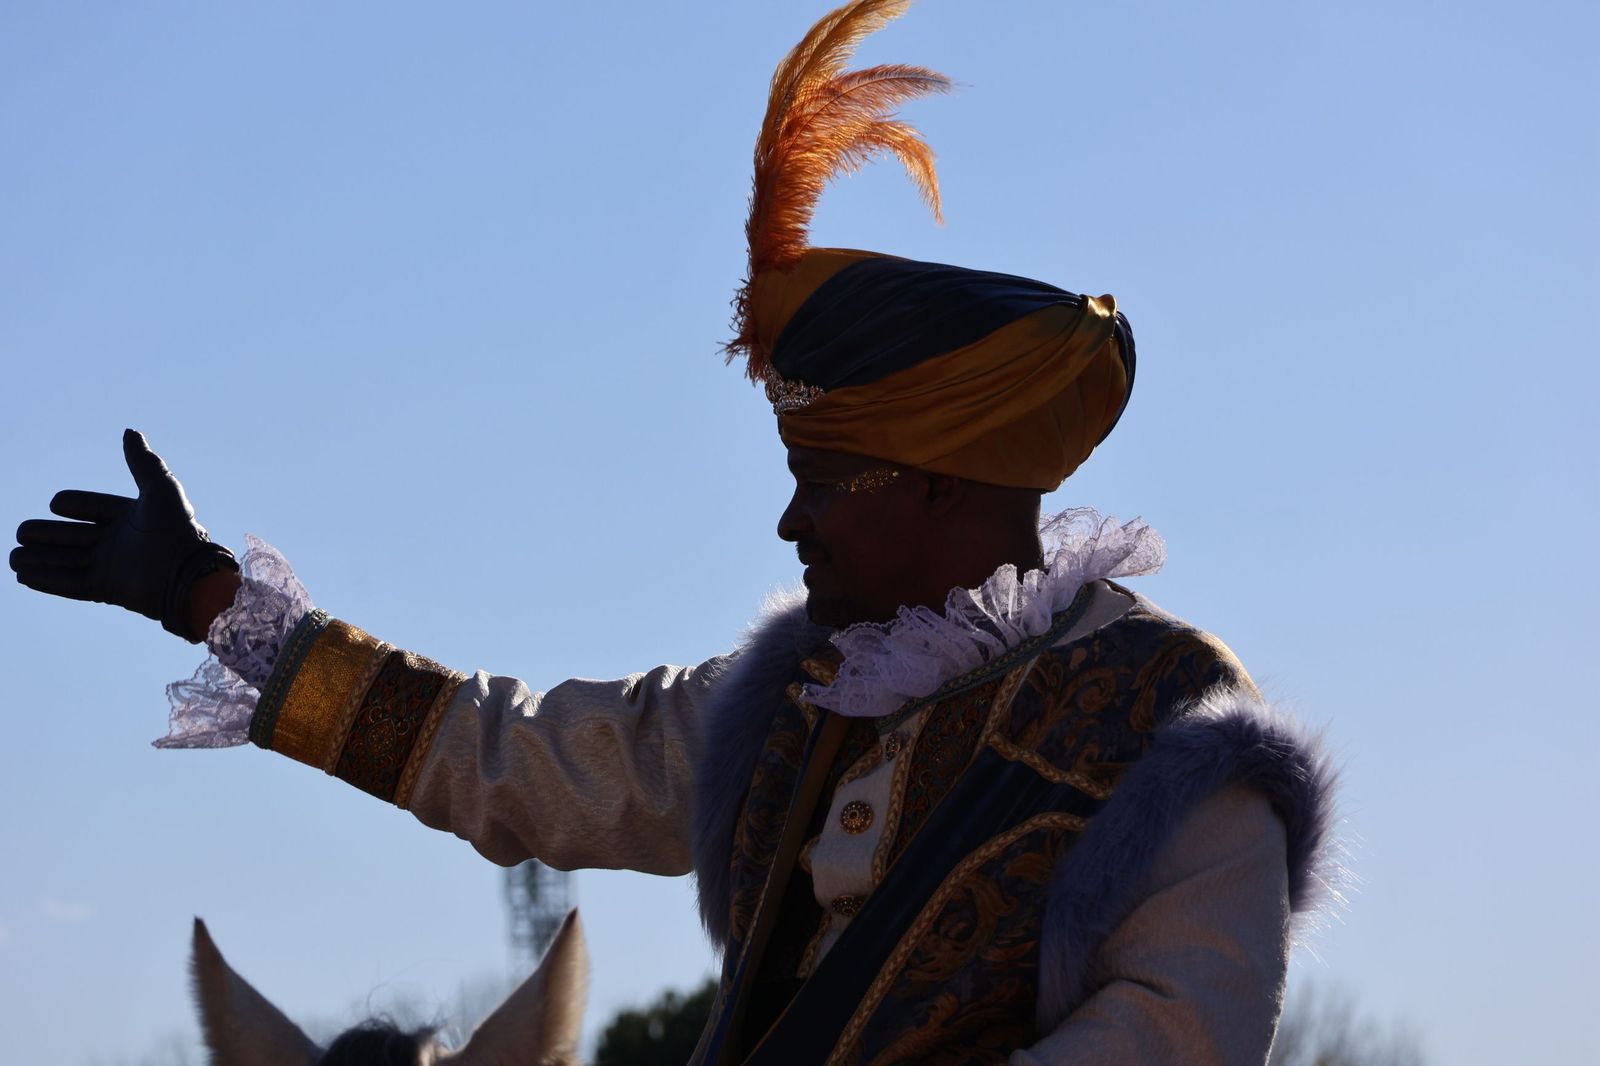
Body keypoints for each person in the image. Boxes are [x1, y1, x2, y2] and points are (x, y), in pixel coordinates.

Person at [10, 2, 1336, 1063]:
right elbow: (507, 758)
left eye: (825, 481)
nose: (788, 518)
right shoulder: (787, 701)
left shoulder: (1176, 745)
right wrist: (209, 600)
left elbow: (1172, 1040)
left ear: (941, 485)